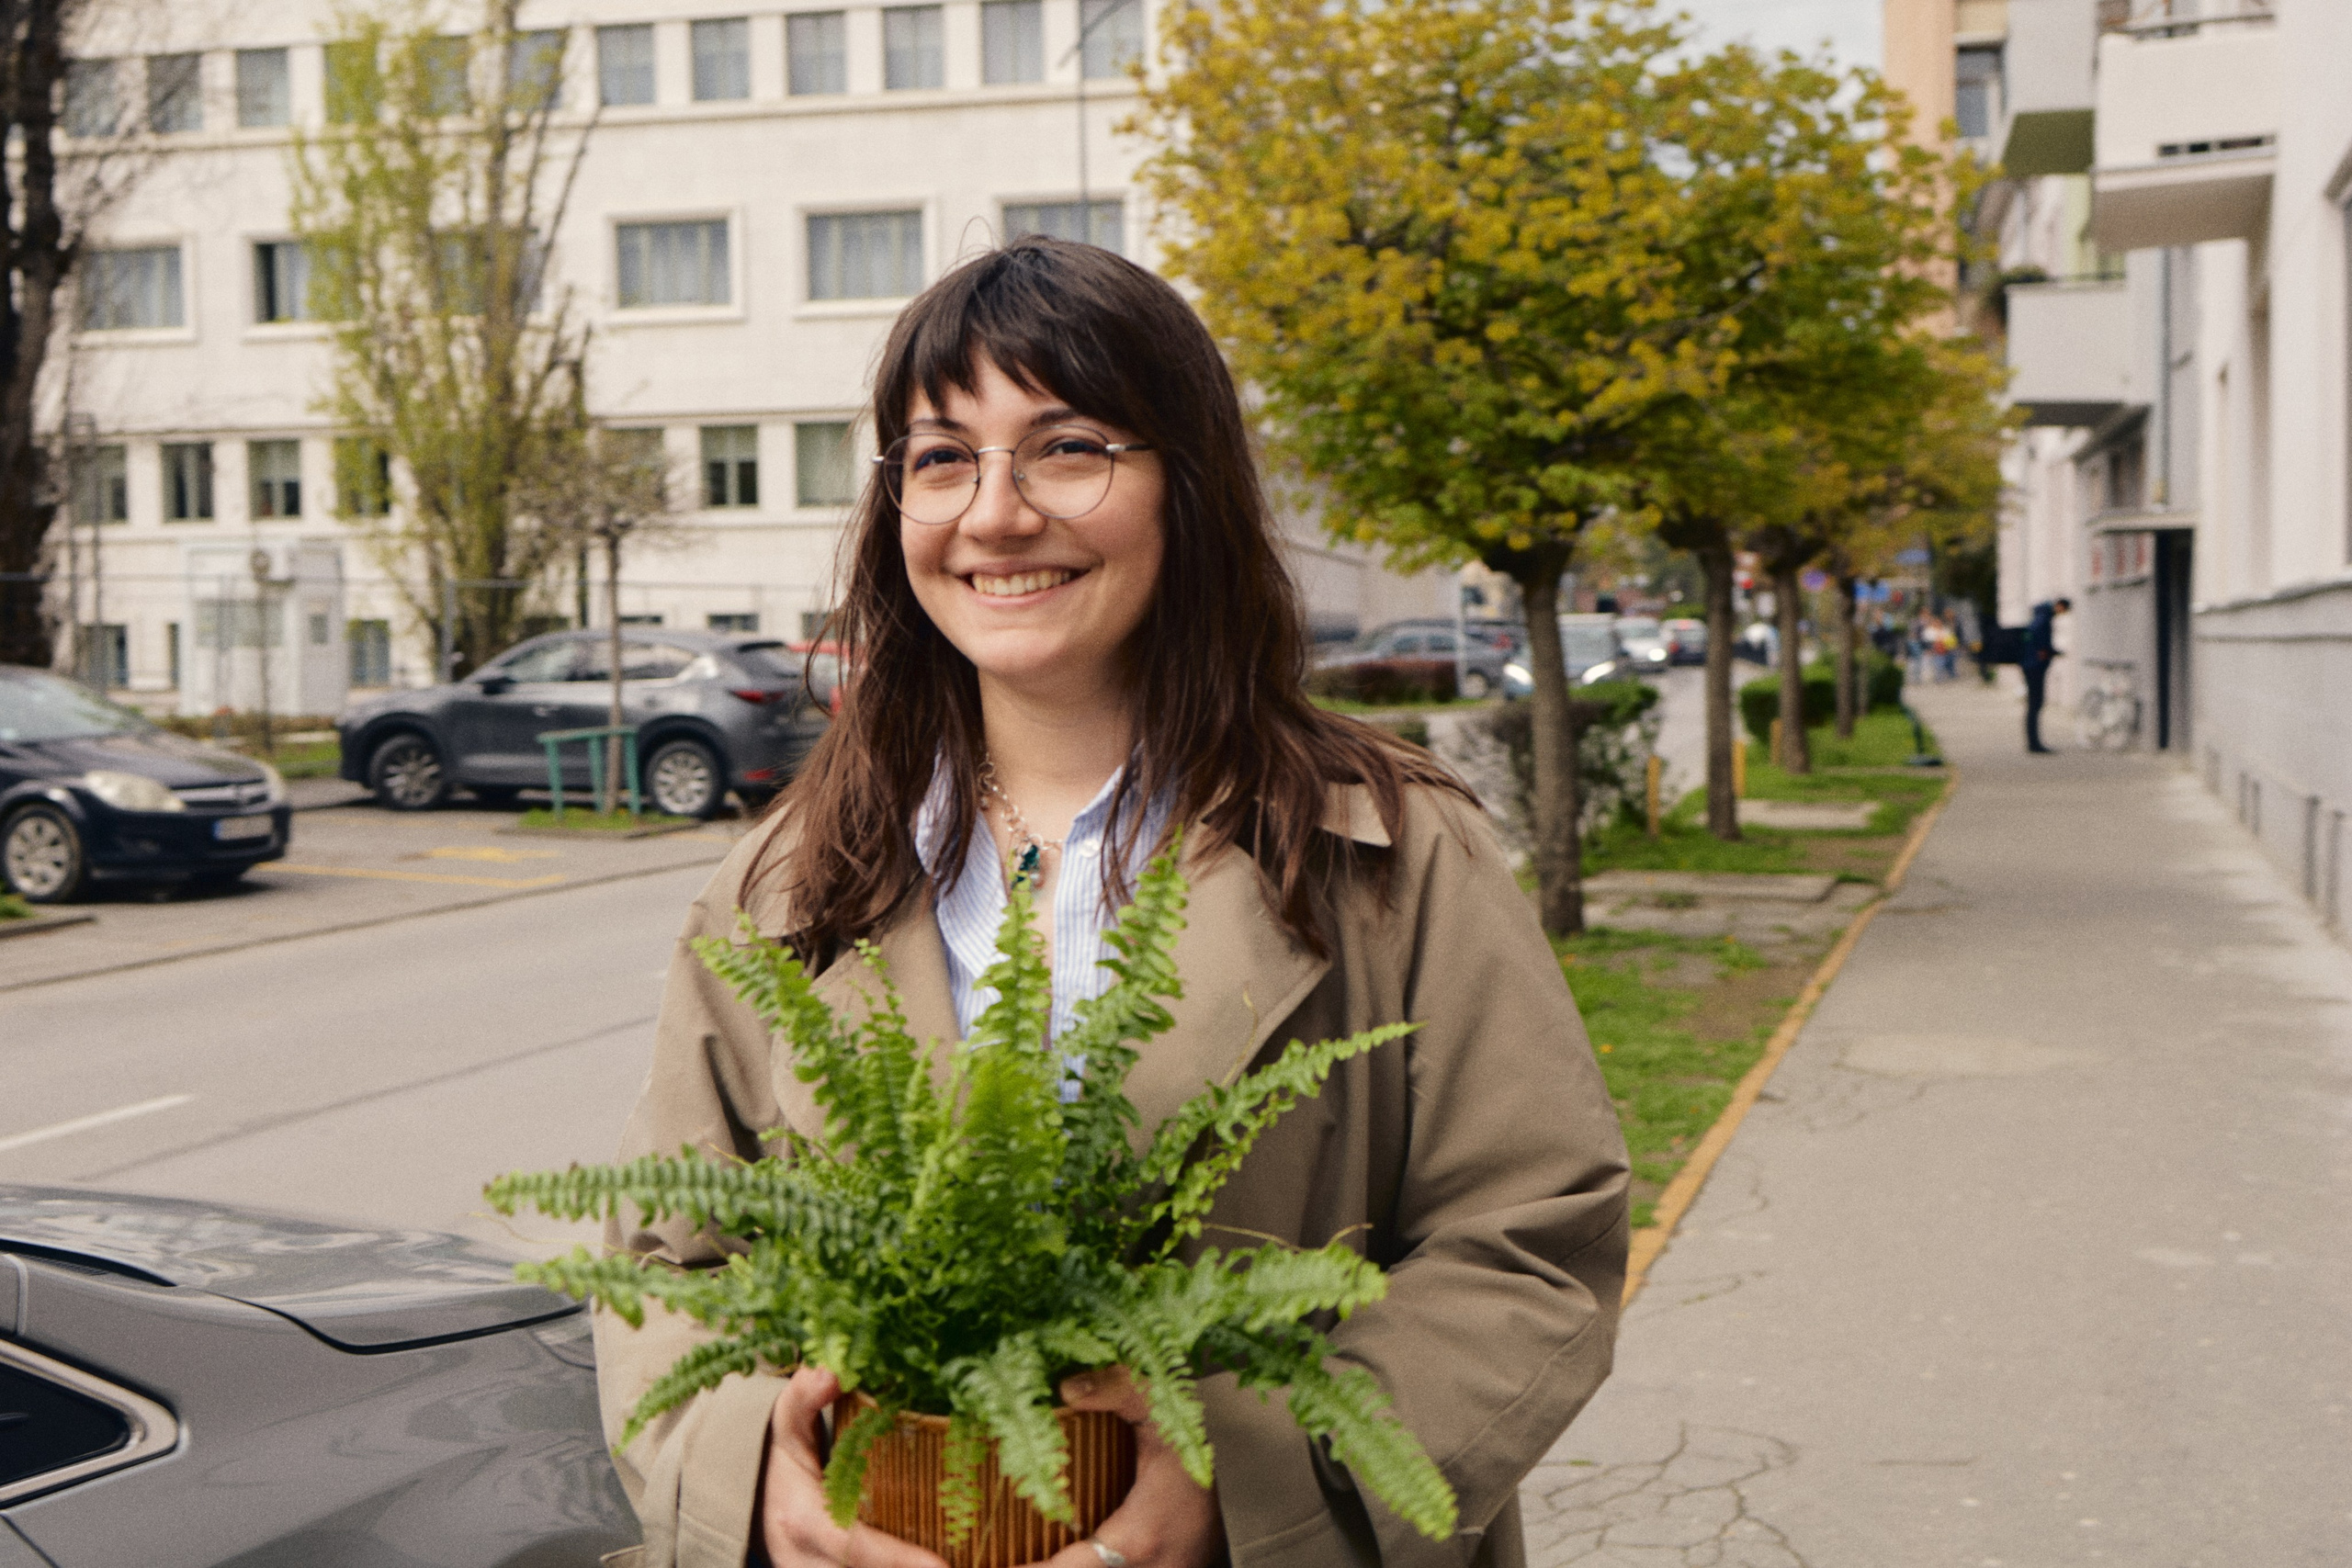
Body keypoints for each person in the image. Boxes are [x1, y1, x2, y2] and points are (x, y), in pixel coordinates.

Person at [594, 237, 1630, 1568]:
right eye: (942, 455)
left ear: (1184, 486)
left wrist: (1245, 1482)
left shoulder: (1389, 847)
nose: (997, 512)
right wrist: (754, 1480)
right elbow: (668, 1256)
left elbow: (1532, 1241)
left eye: (1068, 445)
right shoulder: (788, 881)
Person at [2022, 596, 2071, 753]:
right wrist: (2043, 650)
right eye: (2063, 610)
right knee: (2035, 703)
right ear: (2060, 605)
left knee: (2034, 703)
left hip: (2032, 663)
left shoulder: (2042, 614)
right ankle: (2034, 743)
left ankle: (2034, 742)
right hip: (2035, 665)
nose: (2061, 613)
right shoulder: (2044, 616)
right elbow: (2035, 633)